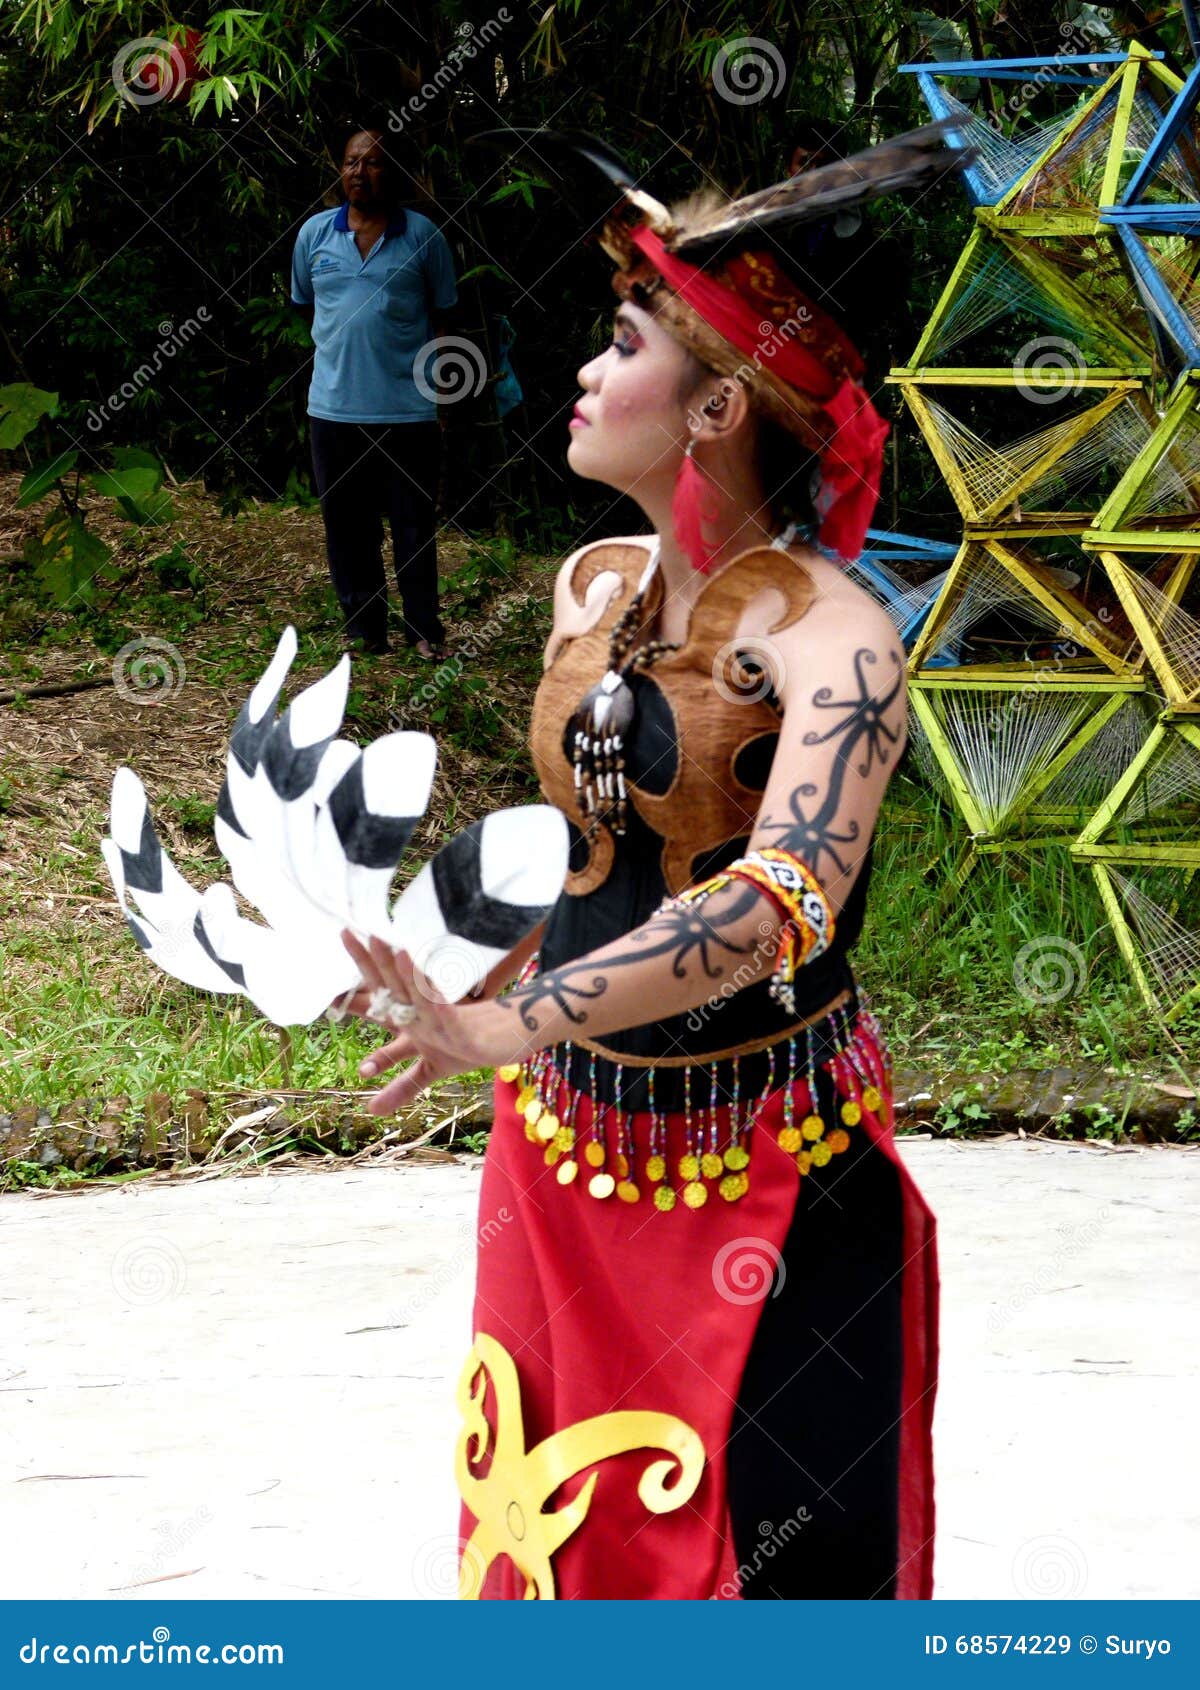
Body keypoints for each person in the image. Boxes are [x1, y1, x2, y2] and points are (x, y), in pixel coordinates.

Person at [340, 126, 963, 1600]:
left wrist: (511, 1020)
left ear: (719, 405)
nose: (580, 371)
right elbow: (579, 851)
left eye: (620, 343)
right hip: (563, 1154)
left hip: (768, 1176)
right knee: (552, 1534)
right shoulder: (592, 586)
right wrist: (453, 969)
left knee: (777, 1556)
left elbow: (772, 907)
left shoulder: (835, 636)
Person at [290, 126, 458, 660]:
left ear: (395, 172)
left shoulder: (424, 237)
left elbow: (446, 318)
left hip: (408, 411)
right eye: (350, 162)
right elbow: (307, 307)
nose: (359, 172)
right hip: (333, 410)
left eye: (373, 163)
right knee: (347, 525)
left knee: (413, 523)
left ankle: (424, 629)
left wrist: (447, 399)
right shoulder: (314, 235)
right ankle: (365, 629)